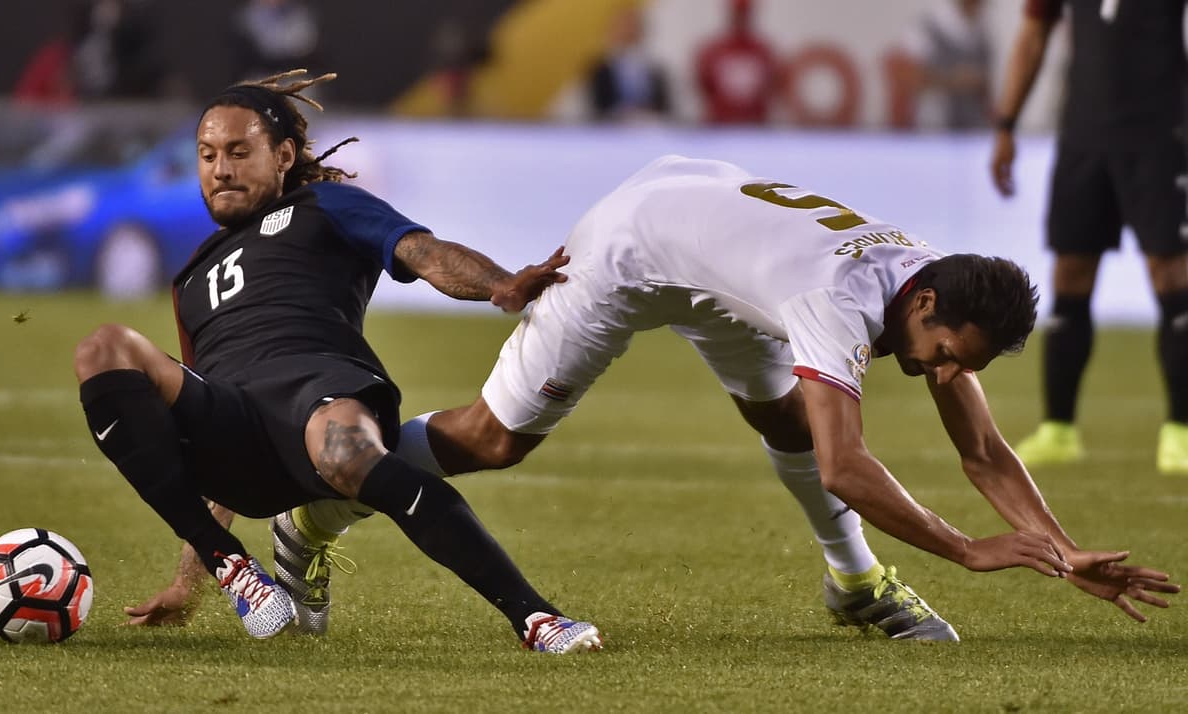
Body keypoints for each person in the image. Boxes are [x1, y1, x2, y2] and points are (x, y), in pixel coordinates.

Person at [379, 155, 1175, 634]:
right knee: (495, 441)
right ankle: (346, 475)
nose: (940, 374)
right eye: (942, 357)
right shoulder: (839, 299)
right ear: (926, 306)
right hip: (636, 245)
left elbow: (984, 452)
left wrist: (1065, 554)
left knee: (788, 418)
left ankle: (856, 584)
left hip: (715, 240)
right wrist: (967, 550)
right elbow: (847, 468)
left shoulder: (934, 282)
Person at [76, 69, 601, 653]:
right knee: (104, 347)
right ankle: (231, 565)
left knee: (342, 446)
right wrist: (185, 583)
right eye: (207, 154)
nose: (220, 169)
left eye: (238, 152)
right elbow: (205, 397)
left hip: (318, 395)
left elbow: (423, 252)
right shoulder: (189, 277)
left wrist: (500, 284)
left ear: (282, 155)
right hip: (237, 432)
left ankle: (537, 619)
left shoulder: (326, 204)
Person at [991, 0, 1188, 475]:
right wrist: (1006, 124)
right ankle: (1059, 428)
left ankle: (1181, 430)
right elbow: (1033, 32)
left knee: (1171, 272)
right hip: (1083, 133)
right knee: (1070, 272)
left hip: (1160, 132)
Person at [897, 0, 992, 131]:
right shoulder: (926, 27)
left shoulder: (982, 32)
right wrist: (954, 81)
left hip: (973, 128)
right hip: (935, 127)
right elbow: (908, 78)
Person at [694, 0, 781, 125]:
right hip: (719, 125)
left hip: (754, 126)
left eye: (744, 13)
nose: (740, 18)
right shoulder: (713, 51)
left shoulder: (763, 51)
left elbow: (772, 85)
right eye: (737, 13)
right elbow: (704, 85)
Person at [586, 6, 671, 123]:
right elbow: (597, 106)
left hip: (650, 126)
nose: (628, 32)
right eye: (623, 27)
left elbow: (665, 106)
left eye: (632, 27)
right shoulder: (600, 69)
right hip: (611, 128)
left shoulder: (654, 69)